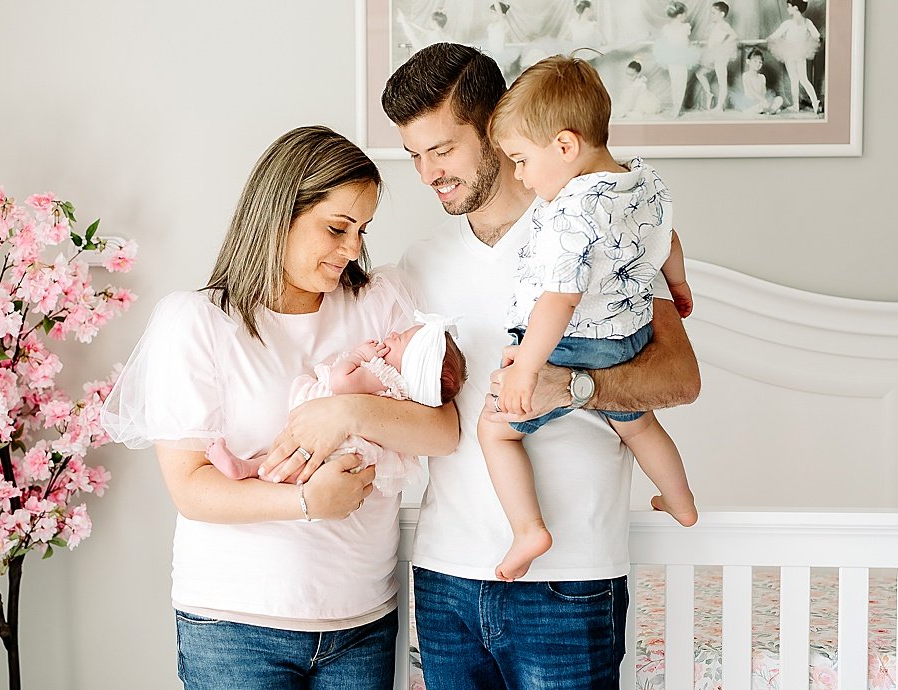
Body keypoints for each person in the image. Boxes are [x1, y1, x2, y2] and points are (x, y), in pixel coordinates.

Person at [377, 42, 700, 689]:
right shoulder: (417, 265)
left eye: (442, 149)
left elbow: (679, 379)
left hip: (570, 579)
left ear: (495, 126)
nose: (427, 173)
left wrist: (577, 386)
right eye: (414, 155)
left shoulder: (591, 227)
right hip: (445, 579)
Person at [102, 125, 459, 689]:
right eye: (337, 228)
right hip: (236, 626)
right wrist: (307, 501)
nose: (352, 249)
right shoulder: (198, 323)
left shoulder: (380, 305)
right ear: (277, 213)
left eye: (362, 231)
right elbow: (191, 489)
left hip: (362, 619)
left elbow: (442, 432)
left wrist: (348, 415)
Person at [481, 55, 698, 582]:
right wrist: (679, 285)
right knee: (640, 424)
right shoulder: (641, 183)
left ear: (564, 146)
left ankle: (528, 528)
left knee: (495, 431)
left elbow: (560, 302)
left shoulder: (569, 213)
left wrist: (528, 370)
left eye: (521, 160)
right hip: (630, 336)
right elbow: (668, 240)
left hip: (575, 342)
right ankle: (681, 501)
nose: (519, 175)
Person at [205, 314, 466, 497]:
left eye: (401, 340)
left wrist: (358, 356)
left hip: (339, 440)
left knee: (298, 462)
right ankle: (248, 468)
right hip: (344, 439)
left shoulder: (382, 375)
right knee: (292, 459)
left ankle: (249, 469)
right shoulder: (398, 393)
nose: (394, 334)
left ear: (410, 364)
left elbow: (342, 383)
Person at [767, 0, 821, 113]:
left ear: (795, 7)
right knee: (804, 79)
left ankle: (797, 105)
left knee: (794, 80)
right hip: (801, 52)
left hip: (790, 53)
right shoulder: (807, 22)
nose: (787, 9)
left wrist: (770, 39)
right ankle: (815, 102)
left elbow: (775, 35)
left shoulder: (788, 24)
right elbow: (817, 35)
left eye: (789, 6)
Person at [652, 1, 702, 116]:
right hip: (674, 57)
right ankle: (676, 107)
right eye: (685, 14)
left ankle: (677, 107)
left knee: (678, 82)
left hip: (680, 57)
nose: (686, 16)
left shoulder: (682, 27)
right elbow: (677, 42)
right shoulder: (680, 27)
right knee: (678, 83)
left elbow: (683, 42)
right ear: (679, 15)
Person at [697, 2, 740, 111]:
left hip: (721, 55)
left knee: (722, 80)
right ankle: (709, 93)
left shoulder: (723, 25)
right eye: (711, 13)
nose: (711, 15)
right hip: (713, 55)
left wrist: (722, 45)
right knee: (700, 73)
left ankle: (719, 106)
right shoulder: (714, 25)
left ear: (721, 14)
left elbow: (734, 35)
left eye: (713, 13)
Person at [739, 48, 786, 114]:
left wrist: (765, 100)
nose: (758, 64)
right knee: (759, 106)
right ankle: (767, 110)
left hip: (761, 100)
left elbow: (764, 91)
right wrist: (762, 100)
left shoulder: (762, 77)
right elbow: (751, 91)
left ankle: (769, 110)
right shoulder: (746, 75)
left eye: (760, 62)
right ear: (748, 61)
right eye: (755, 61)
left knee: (779, 99)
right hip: (750, 101)